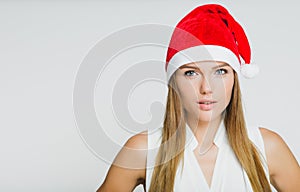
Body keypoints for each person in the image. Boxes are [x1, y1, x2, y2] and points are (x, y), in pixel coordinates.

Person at [97, 4, 300, 192]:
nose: (207, 88)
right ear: (173, 81)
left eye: (220, 72)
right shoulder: (143, 149)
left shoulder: (267, 147)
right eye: (191, 73)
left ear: (235, 79)